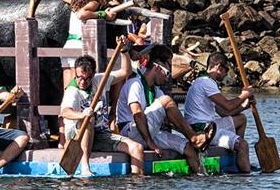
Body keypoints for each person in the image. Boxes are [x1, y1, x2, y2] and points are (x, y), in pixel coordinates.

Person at [116, 44, 215, 174]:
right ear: (157, 67)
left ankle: (201, 177)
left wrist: (194, 130)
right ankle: (195, 139)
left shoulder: (156, 91)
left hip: (149, 132)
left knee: (188, 147)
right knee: (167, 100)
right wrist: (150, 142)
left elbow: (173, 120)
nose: (168, 78)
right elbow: (137, 114)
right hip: (131, 132)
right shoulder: (135, 84)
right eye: (167, 73)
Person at [60, 38, 145, 175]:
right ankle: (85, 168)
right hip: (77, 136)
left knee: (137, 148)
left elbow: (125, 72)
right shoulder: (72, 91)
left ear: (93, 75)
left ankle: (136, 182)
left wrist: (123, 51)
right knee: (89, 119)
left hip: (101, 135)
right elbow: (65, 112)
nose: (82, 81)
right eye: (79, 77)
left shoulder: (100, 80)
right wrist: (82, 114)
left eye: (86, 78)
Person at [184, 52, 253, 173]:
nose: (226, 74)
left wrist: (244, 106)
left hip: (207, 125)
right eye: (226, 70)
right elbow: (227, 105)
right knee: (244, 145)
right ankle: (246, 175)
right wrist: (243, 95)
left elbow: (224, 112)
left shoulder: (203, 81)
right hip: (202, 130)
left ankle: (236, 152)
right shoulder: (206, 82)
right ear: (219, 67)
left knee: (241, 119)